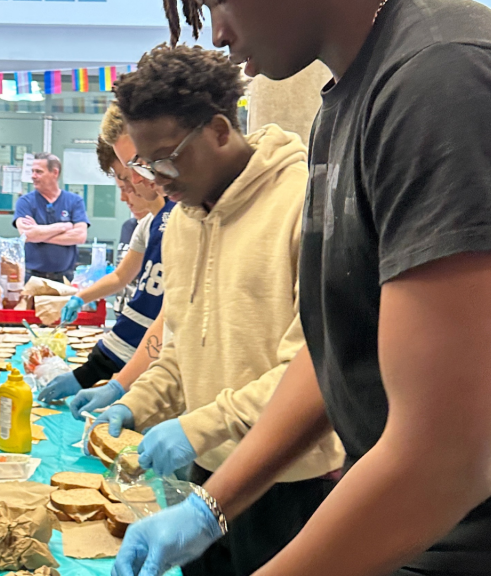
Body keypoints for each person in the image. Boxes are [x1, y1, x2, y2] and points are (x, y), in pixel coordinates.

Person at [112, 0, 491, 574]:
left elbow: (444, 464)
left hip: (487, 544)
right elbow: (338, 349)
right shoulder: (347, 101)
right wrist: (212, 506)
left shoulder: (444, 79)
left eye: (219, 1)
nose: (218, 32)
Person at [94, 45, 344, 576]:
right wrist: (135, 402)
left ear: (219, 130)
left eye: (164, 159)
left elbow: (315, 366)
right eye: (143, 163)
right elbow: (180, 348)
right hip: (202, 475)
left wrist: (201, 425)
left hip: (289, 483)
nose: (155, 179)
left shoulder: (302, 203)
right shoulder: (184, 221)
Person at [39, 106, 174, 406]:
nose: (132, 188)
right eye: (128, 177)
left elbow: (164, 315)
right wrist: (79, 298)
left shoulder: (179, 219)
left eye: (135, 173)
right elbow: (122, 278)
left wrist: (101, 378)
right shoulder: (155, 223)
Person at [13, 152, 90, 282]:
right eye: (32, 171)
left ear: (54, 172)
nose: (33, 176)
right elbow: (26, 234)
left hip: (65, 279)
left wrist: (39, 233)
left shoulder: (75, 201)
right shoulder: (25, 202)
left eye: (38, 172)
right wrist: (63, 227)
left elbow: (80, 236)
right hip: (31, 279)